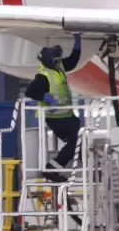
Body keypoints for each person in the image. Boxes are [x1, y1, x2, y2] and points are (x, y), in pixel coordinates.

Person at [25, 34, 82, 182]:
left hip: (67, 115)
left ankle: (53, 168)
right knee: (74, 145)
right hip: (56, 117)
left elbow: (73, 61)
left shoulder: (59, 67)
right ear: (49, 62)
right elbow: (30, 91)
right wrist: (46, 98)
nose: (59, 63)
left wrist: (78, 42)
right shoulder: (43, 76)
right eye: (56, 61)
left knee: (77, 140)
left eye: (59, 60)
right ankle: (51, 169)